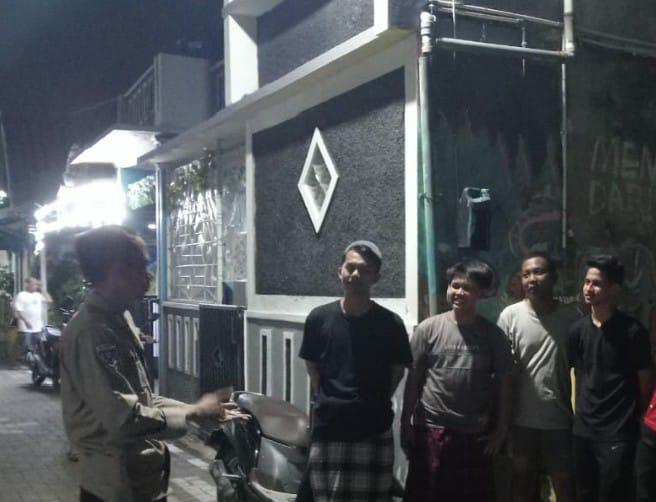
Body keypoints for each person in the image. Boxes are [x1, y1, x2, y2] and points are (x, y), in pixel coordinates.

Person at [60, 225, 247, 502]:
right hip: (116, 489)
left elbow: (142, 397)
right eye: (141, 267)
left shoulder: (118, 319)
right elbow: (124, 418)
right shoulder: (92, 333)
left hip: (143, 482)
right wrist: (193, 412)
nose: (149, 276)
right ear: (117, 272)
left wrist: (195, 410)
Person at [298, 240, 412, 502]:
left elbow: (397, 372)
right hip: (329, 428)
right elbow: (313, 368)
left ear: (376, 277)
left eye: (365, 270)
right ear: (340, 271)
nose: (356, 274)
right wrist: (332, 400)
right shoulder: (318, 318)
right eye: (350, 267)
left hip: (373, 427)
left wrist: (371, 401)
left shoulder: (391, 324)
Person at [401, 260, 514, 502]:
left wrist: (501, 429)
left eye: (468, 288)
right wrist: (405, 422)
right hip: (431, 428)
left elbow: (504, 384)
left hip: (474, 432)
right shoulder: (427, 329)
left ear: (481, 293)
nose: (459, 292)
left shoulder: (493, 335)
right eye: (455, 286)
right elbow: (414, 379)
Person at [568, 254, 653, 502]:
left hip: (618, 432)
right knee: (584, 493)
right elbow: (576, 373)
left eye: (596, 284)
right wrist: (577, 413)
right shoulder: (577, 331)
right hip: (584, 430)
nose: (588, 288)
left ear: (614, 289)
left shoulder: (632, 331)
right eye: (586, 282)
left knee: (613, 494)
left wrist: (635, 414)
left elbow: (645, 378)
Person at [498, 253, 580, 502]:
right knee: (522, 482)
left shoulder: (572, 318)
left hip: (560, 419)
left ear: (554, 277)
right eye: (526, 274)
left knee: (564, 483)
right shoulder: (510, 316)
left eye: (538, 272)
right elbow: (502, 372)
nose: (531, 279)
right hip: (521, 420)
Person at [13, 277, 51, 359]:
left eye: (36, 284)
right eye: (34, 284)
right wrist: (25, 321)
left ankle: (32, 363)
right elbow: (18, 311)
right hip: (25, 328)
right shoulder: (21, 295)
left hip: (37, 328)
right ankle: (19, 362)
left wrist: (42, 289)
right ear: (28, 284)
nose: (35, 286)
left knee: (35, 349)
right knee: (24, 348)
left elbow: (49, 300)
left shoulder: (38, 295)